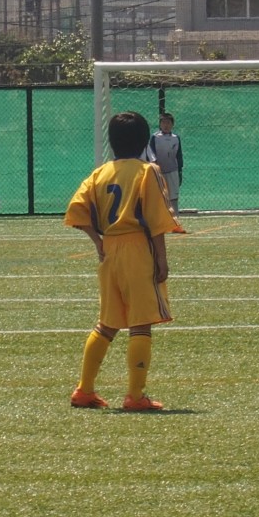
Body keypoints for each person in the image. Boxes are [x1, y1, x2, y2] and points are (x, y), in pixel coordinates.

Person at [65, 111, 180, 411]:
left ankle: (84, 390)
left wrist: (98, 242)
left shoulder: (100, 173)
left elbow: (76, 210)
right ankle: (135, 396)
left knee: (107, 324)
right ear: (144, 141)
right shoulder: (148, 171)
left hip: (110, 251)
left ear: (112, 141)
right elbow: (156, 218)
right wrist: (162, 259)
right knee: (141, 323)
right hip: (138, 249)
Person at [146, 112, 184, 214]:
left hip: (173, 171)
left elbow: (179, 155)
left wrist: (179, 171)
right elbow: (151, 155)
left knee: (173, 196)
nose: (166, 125)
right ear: (160, 124)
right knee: (159, 196)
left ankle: (175, 218)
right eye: (163, 123)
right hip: (159, 172)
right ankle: (159, 218)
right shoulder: (155, 137)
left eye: (168, 123)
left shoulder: (176, 138)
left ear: (172, 124)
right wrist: (154, 169)